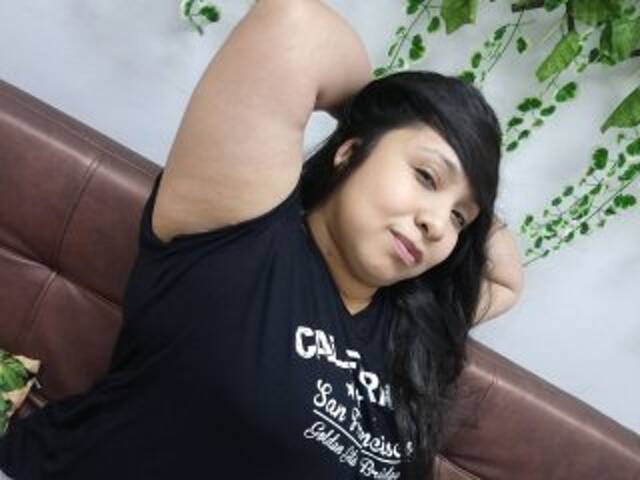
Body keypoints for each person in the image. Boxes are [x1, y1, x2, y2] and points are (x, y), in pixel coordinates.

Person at [0, 1, 523, 479]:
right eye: (426, 176)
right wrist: (387, 111)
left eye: (460, 219)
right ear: (349, 153)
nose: (438, 224)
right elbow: (297, 25)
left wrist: (466, 191)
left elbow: (506, 277)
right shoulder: (240, 237)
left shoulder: (414, 321)